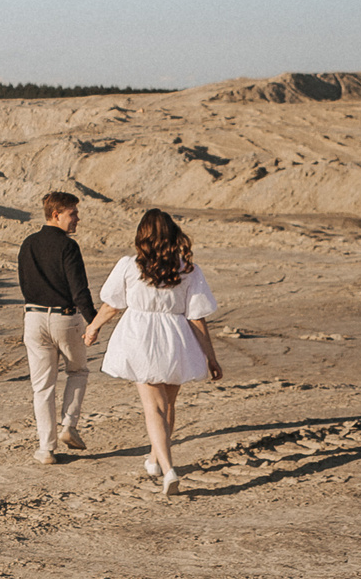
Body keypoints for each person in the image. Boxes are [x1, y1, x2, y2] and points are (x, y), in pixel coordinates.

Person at [85, 208, 222, 495]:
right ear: (172, 235)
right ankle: (153, 459)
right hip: (176, 338)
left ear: (142, 236)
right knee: (168, 406)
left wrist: (94, 327)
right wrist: (210, 356)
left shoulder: (129, 265)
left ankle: (169, 469)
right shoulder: (187, 269)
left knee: (153, 407)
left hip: (140, 337)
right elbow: (197, 316)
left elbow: (112, 304)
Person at [16, 190, 94, 466]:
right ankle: (69, 425)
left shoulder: (28, 244)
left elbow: (24, 283)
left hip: (33, 318)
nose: (77, 219)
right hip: (65, 318)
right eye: (73, 213)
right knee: (78, 371)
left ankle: (45, 449)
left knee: (42, 387)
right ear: (56, 214)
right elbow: (79, 289)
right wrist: (93, 320)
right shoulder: (68, 247)